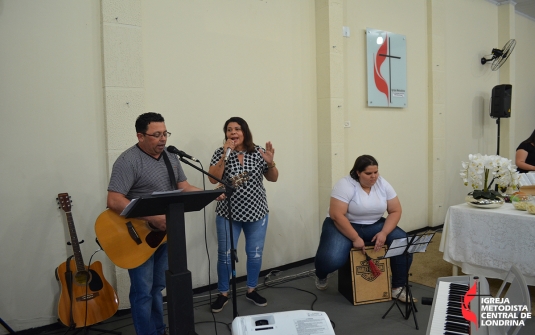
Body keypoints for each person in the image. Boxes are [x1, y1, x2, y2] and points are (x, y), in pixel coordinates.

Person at [107, 112, 202, 335]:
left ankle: (158, 330)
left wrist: (213, 193)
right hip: (137, 236)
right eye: (156, 134)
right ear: (140, 136)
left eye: (165, 133)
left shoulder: (171, 157)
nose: (163, 139)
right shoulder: (128, 160)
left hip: (165, 234)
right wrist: (151, 218)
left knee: (157, 287)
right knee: (143, 291)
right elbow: (114, 200)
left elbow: (184, 187)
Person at [314, 155, 416, 303]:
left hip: (374, 223)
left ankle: (397, 288)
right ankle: (321, 274)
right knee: (332, 259)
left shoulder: (383, 184)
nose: (373, 177)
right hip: (342, 223)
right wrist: (355, 238)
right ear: (358, 173)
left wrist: (384, 233)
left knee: (403, 243)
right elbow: (336, 215)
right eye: (368, 173)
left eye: (376, 172)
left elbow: (395, 210)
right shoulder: (345, 185)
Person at [208, 117, 279, 313]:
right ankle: (223, 293)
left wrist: (271, 164)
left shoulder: (258, 152)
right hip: (228, 213)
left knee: (254, 254)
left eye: (237, 129)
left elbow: (273, 178)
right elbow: (213, 178)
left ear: (245, 132)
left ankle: (251, 289)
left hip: (256, 212)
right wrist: (224, 155)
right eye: (229, 130)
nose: (233, 133)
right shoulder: (221, 153)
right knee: (224, 255)